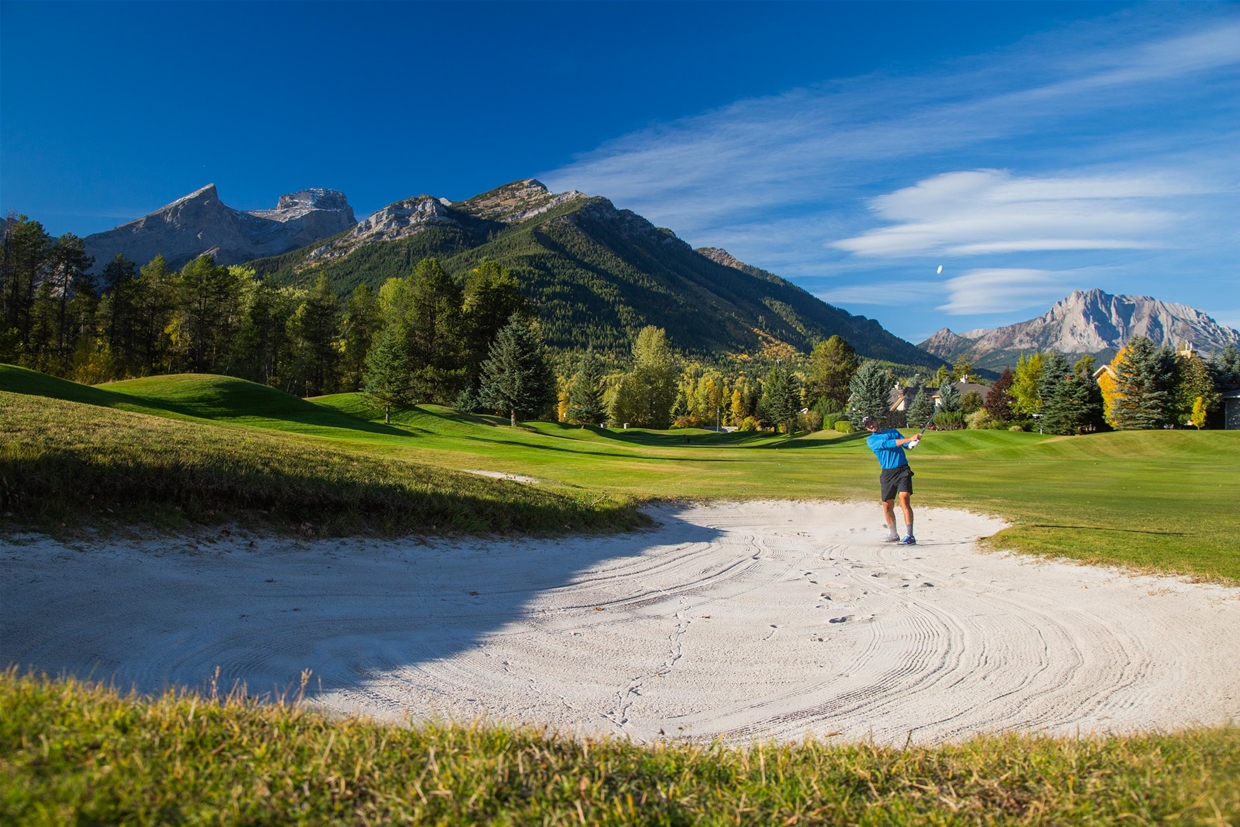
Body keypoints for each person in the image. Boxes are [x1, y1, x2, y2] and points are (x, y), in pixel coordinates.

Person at [861, 414, 922, 545]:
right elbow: (891, 444)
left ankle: (909, 535)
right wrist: (909, 439)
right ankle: (893, 534)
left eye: (871, 422)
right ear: (866, 428)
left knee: (904, 499)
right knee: (887, 506)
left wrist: (913, 443)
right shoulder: (871, 440)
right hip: (887, 474)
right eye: (868, 425)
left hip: (902, 470)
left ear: (876, 421)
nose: (871, 426)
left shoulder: (893, 432)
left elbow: (907, 446)